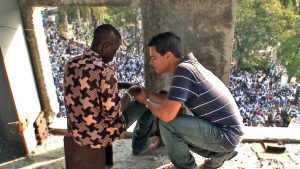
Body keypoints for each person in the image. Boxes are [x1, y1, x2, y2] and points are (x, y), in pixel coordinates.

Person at [134, 32, 244, 169]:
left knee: (168, 123)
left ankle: (186, 167)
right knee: (174, 120)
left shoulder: (183, 72)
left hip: (226, 135)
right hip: (229, 134)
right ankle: (219, 154)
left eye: (153, 58)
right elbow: (170, 101)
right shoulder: (188, 67)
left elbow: (167, 115)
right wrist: (148, 95)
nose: (151, 63)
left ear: (168, 56)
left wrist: (146, 102)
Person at [63, 24, 159, 152]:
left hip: (76, 132)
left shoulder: (71, 64)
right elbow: (113, 115)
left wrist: (121, 85)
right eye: (114, 51)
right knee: (146, 103)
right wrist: (130, 93)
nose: (114, 56)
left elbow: (90, 88)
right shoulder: (105, 71)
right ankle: (139, 145)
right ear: (105, 47)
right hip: (99, 137)